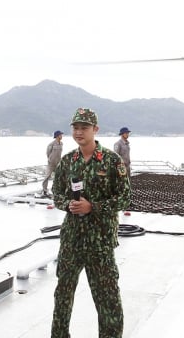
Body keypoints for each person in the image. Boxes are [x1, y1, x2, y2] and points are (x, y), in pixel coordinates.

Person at [50, 108, 131, 338]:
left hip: (100, 243)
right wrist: (68, 204)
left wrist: (92, 207)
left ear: (95, 129)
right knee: (63, 295)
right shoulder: (67, 162)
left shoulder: (111, 161)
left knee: (108, 298)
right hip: (72, 240)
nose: (79, 132)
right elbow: (56, 194)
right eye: (75, 127)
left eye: (84, 128)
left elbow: (125, 198)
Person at [42, 130, 64, 197]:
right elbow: (48, 153)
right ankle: (45, 191)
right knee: (47, 177)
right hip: (51, 164)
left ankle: (57, 190)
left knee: (59, 177)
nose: (62, 136)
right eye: (60, 135)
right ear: (57, 136)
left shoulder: (61, 143)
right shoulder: (51, 144)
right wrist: (51, 160)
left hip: (58, 164)